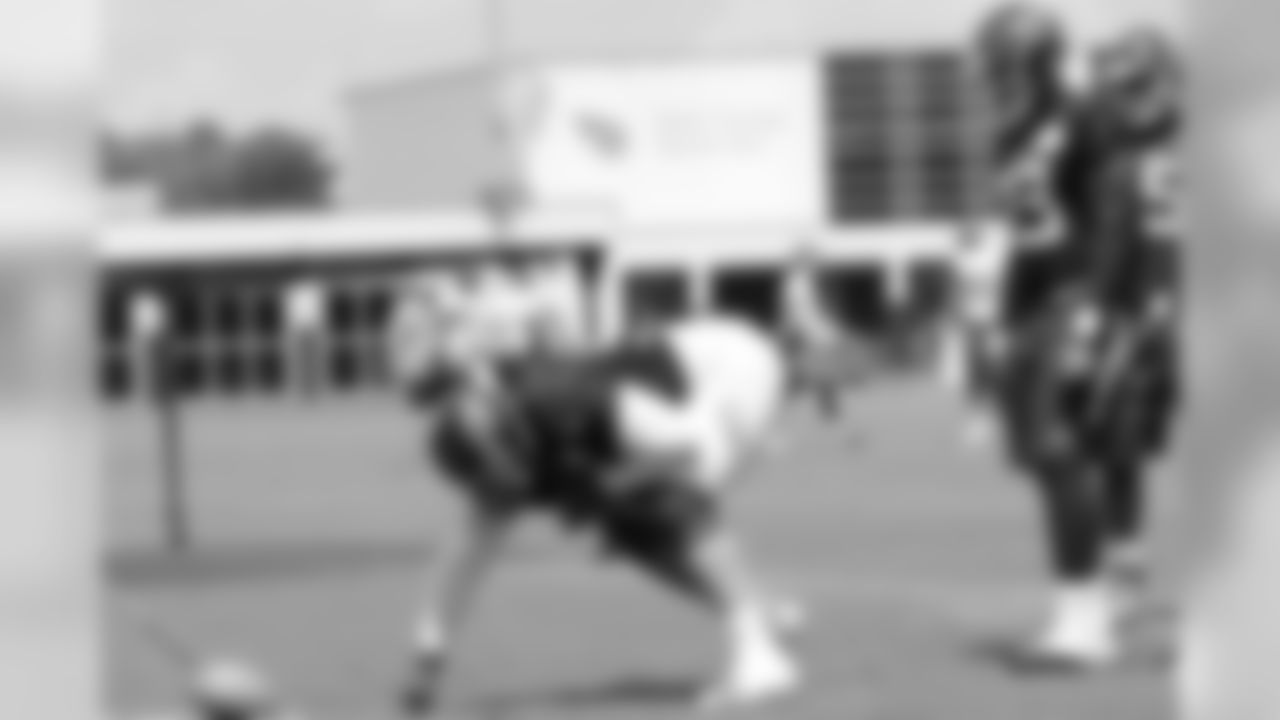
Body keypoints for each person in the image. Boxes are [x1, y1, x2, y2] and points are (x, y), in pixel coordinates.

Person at [395, 310, 804, 715]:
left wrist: (610, 485)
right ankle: (758, 616)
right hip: (680, 398)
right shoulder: (504, 455)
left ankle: (759, 656)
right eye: (493, 486)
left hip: (730, 367)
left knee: (668, 502)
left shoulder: (569, 401)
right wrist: (428, 660)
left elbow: (692, 446)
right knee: (633, 531)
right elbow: (463, 565)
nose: (506, 495)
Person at [969, 1, 1154, 667]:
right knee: (1039, 460)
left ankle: (1087, 619)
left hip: (1080, 296)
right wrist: (1000, 321)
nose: (991, 76)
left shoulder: (1090, 114)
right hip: (1032, 304)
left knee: (1059, 448)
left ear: (1035, 59)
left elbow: (1116, 213)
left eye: (1000, 62)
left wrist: (1095, 311)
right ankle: (1075, 609)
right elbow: (1023, 239)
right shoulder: (1010, 136)